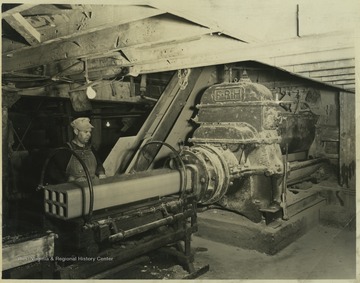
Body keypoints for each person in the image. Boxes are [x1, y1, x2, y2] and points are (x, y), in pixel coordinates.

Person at [48, 117, 106, 183]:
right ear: (76, 131)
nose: (89, 134)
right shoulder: (66, 150)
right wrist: (69, 178)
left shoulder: (91, 148)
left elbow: (99, 164)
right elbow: (54, 172)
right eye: (85, 132)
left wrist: (101, 172)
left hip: (93, 185)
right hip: (74, 189)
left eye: (90, 132)